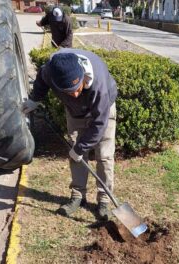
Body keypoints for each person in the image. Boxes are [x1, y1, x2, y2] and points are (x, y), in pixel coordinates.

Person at [22, 49, 118, 221]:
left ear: (82, 75)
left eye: (76, 88)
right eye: (68, 91)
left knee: (104, 155)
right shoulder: (50, 71)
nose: (74, 94)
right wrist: (35, 99)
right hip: (74, 112)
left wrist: (81, 148)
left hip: (103, 111)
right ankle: (77, 196)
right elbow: (42, 80)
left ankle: (104, 200)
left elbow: (99, 124)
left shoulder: (98, 85)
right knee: (76, 156)